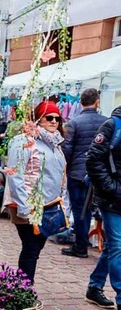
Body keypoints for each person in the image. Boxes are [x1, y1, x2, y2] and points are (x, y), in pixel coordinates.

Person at [4, 100, 66, 283]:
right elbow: (15, 175)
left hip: (48, 205)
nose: (54, 121)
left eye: (57, 118)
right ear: (39, 118)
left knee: (34, 250)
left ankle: (21, 290)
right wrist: (24, 207)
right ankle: (23, 293)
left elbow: (59, 174)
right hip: (29, 205)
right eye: (49, 117)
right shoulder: (24, 141)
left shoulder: (55, 144)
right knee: (31, 250)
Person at [61, 88, 107, 258]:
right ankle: (90, 243)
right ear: (97, 102)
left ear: (80, 103)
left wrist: (66, 168)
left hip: (77, 173)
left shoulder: (73, 123)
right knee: (95, 209)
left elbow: (67, 149)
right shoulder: (105, 122)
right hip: (97, 174)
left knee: (80, 209)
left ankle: (80, 246)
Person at [85, 105, 121, 310]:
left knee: (113, 247)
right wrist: (111, 187)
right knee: (117, 245)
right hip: (113, 199)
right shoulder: (112, 125)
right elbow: (93, 158)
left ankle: (94, 286)